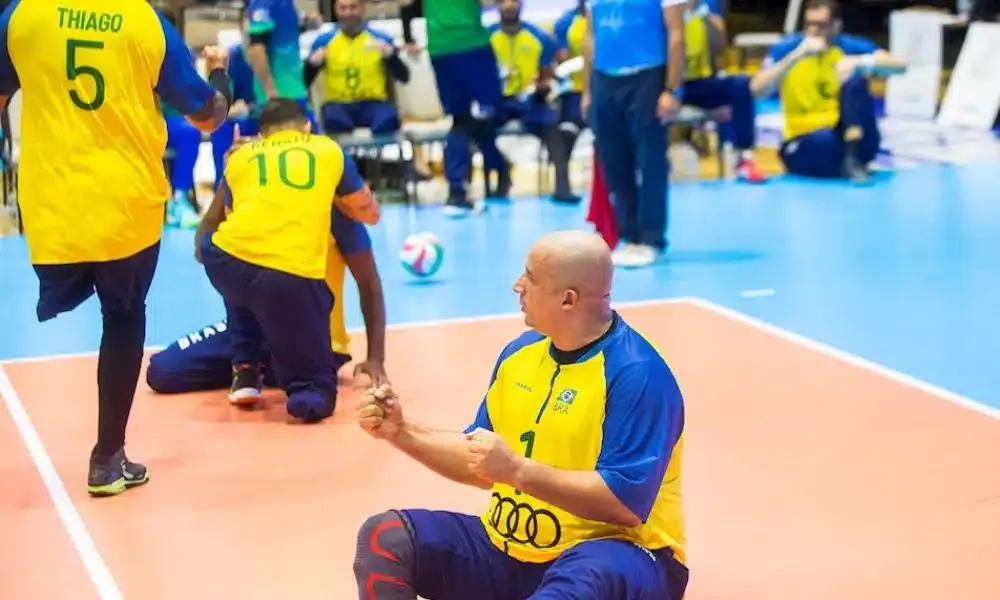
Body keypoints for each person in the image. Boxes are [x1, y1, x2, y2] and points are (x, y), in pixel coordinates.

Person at [353, 230, 688, 599]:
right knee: (385, 538)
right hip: (512, 551)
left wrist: (516, 471)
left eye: (530, 277)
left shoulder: (637, 375)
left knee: (579, 584)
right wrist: (401, 431)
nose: (517, 285)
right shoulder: (520, 355)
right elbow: (480, 462)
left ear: (567, 299)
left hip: (615, 558)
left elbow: (625, 504)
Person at [0, 0, 231, 496]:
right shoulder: (143, 21)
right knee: (124, 316)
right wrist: (219, 75)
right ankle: (107, 459)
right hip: (126, 199)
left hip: (52, 199)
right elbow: (208, 117)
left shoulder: (21, 16)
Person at [195, 98, 379, 423]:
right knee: (313, 398)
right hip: (290, 285)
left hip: (227, 262)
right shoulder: (329, 153)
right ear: (308, 128)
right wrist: (377, 358)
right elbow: (371, 220)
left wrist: (234, 168)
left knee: (238, 259)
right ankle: (269, 372)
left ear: (262, 136)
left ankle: (246, 368)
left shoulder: (242, 161)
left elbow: (208, 236)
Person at [146, 207, 390, 399]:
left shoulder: (332, 209)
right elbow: (202, 250)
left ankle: (258, 368)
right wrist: (228, 180)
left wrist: (376, 357)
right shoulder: (254, 200)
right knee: (162, 370)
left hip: (317, 343)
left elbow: (368, 280)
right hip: (257, 333)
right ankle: (252, 366)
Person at [749, 0, 906, 184]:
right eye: (809, 24)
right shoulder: (788, 48)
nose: (813, 31)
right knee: (821, 142)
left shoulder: (849, 47)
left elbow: (900, 66)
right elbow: (756, 89)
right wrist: (795, 57)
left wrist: (861, 62)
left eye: (821, 25)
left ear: (836, 26)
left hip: (848, 137)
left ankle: (851, 158)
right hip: (804, 140)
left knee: (856, 82)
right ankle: (847, 162)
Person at [582, 0, 687, 269]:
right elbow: (590, 37)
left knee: (649, 159)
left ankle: (652, 238)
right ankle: (628, 235)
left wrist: (672, 89)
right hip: (604, 79)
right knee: (613, 160)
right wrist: (587, 90)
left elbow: (676, 35)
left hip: (647, 76)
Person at [400, 0, 504, 217]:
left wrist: (408, 35)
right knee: (473, 116)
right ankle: (483, 174)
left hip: (451, 47)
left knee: (468, 118)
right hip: (461, 46)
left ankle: (465, 185)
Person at [486, 0, 578, 204]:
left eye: (514, 1)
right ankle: (502, 171)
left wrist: (542, 87)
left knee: (552, 124)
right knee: (478, 127)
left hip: (530, 100)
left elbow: (547, 75)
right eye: (503, 1)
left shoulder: (540, 37)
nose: (509, 5)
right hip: (497, 100)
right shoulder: (486, 38)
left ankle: (563, 186)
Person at [682, 0, 767, 183]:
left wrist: (704, 16)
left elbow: (720, 44)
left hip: (697, 84)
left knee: (740, 85)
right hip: (664, 84)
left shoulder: (704, 5)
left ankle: (744, 157)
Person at [306, 0, 410, 136]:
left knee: (387, 121)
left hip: (374, 103)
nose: (348, 13)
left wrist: (391, 56)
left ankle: (378, 157)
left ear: (362, 9)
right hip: (338, 104)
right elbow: (306, 81)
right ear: (335, 10)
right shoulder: (323, 42)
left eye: (353, 7)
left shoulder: (380, 39)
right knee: (335, 122)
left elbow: (404, 77)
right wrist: (313, 65)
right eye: (343, 8)